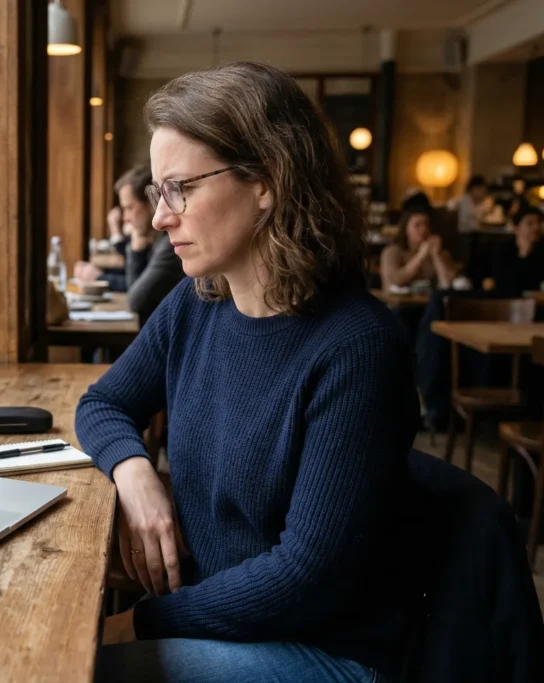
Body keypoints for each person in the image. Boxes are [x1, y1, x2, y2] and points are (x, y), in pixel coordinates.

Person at [76, 62, 420, 682]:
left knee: (72, 668)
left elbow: (303, 577)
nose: (160, 217)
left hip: (323, 649)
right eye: (158, 192)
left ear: (266, 181)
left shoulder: (358, 347)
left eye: (181, 188)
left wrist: (144, 622)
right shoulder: (198, 301)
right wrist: (135, 473)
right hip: (221, 614)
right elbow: (103, 403)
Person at [380, 209, 457, 289]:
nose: (424, 229)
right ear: (406, 229)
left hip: (429, 300)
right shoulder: (392, 251)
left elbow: (449, 283)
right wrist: (420, 256)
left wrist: (436, 256)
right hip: (398, 300)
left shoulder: (440, 252)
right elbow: (395, 280)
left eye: (427, 225)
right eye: (417, 225)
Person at [487, 206, 544, 295]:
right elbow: (505, 284)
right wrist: (523, 255)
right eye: (530, 223)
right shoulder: (503, 250)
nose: (536, 227)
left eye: (539, 222)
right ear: (516, 228)